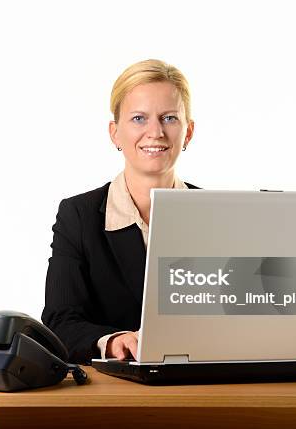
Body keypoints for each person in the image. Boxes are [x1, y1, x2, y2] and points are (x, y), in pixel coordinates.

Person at [41, 59, 197, 364]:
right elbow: (60, 321)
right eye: (139, 118)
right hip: (111, 393)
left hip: (204, 387)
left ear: (188, 132)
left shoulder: (216, 216)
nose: (155, 132)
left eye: (169, 118)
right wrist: (113, 341)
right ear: (115, 133)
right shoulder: (79, 217)